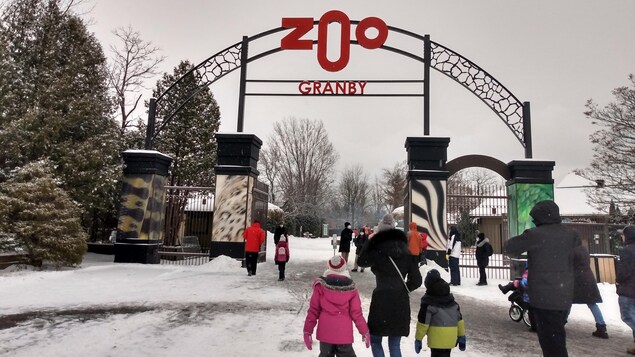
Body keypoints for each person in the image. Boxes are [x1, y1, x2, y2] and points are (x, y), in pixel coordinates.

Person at [504, 200, 581, 357]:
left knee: (551, 342)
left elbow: (509, 248)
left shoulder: (534, 235)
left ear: (540, 217)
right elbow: (578, 260)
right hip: (564, 294)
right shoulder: (572, 235)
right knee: (557, 336)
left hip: (544, 297)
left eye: (535, 218)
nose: (534, 221)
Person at [358, 213, 423, 357]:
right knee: (394, 344)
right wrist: (405, 287)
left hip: (381, 299)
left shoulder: (378, 251)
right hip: (400, 299)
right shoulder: (406, 252)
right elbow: (417, 280)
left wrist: (370, 241)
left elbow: (361, 261)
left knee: (375, 341)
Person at [303, 255, 370, 357]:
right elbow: (356, 313)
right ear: (344, 268)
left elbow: (313, 310)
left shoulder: (320, 286)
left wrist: (307, 330)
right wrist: (364, 331)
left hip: (325, 332)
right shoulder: (351, 288)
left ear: (329, 267)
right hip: (344, 334)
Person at [414, 269, 466, 356]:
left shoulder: (428, 302)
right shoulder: (451, 301)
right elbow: (459, 320)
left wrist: (418, 339)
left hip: (436, 340)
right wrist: (461, 336)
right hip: (450, 338)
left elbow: (423, 323)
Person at [570, 245, 608, 338]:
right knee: (592, 303)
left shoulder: (570, 249)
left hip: (576, 278)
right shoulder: (583, 249)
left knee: (567, 301)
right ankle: (601, 326)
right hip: (588, 277)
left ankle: (560, 323)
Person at [617, 225, 635, 354]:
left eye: (623, 235)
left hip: (629, 289)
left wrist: (618, 279)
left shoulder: (627, 251)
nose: (621, 237)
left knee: (627, 316)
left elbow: (624, 272)